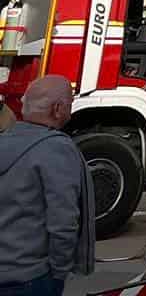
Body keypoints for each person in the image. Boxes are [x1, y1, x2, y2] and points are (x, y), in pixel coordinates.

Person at [0, 77, 92, 296]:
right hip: (30, 278)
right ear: (57, 109)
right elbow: (63, 222)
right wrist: (59, 272)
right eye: (70, 103)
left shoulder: (5, 140)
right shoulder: (56, 149)